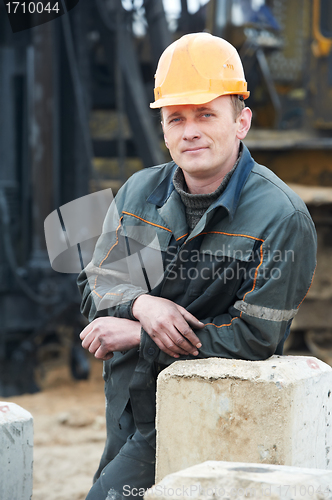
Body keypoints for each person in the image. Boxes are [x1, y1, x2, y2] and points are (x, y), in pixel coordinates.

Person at [77, 33, 317, 500]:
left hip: (216, 413)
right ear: (163, 130)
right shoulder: (138, 196)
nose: (190, 131)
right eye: (176, 118)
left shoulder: (280, 217)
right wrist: (143, 304)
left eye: (206, 114)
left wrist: (136, 333)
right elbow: (97, 290)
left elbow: (253, 339)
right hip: (128, 406)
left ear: (241, 121)